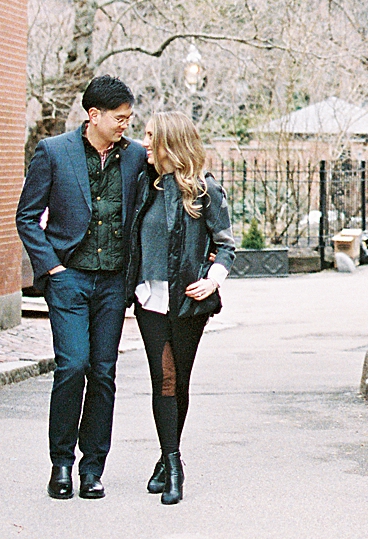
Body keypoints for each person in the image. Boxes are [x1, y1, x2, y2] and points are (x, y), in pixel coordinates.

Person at [16, 75, 146, 500]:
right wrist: (51, 268)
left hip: (112, 283)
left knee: (104, 373)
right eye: (119, 117)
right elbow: (27, 216)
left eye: (129, 117)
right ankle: (61, 465)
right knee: (72, 367)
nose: (126, 123)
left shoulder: (136, 158)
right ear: (94, 115)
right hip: (68, 278)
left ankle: (93, 468)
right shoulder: (53, 152)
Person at [127, 111, 236, 505]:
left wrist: (212, 279)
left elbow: (226, 244)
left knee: (181, 381)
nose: (144, 142)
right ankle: (174, 465)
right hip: (149, 300)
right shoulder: (145, 184)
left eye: (151, 136)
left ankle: (164, 456)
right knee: (165, 378)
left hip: (190, 302)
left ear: (169, 143)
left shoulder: (205, 191)